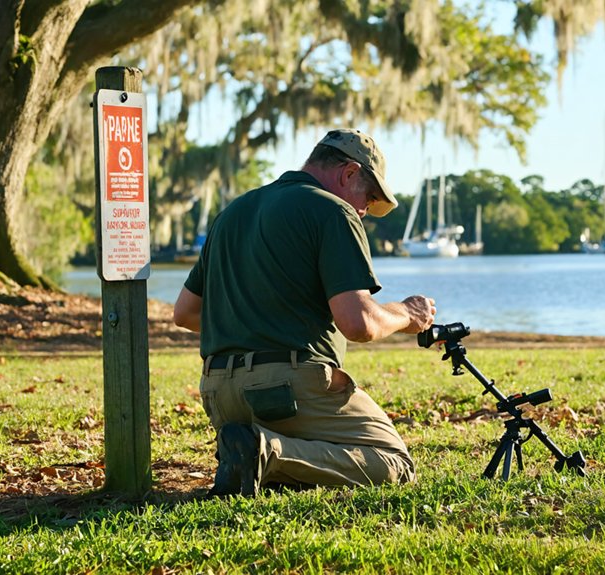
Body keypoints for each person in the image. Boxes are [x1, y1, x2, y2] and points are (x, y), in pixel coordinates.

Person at [173, 128, 436, 497]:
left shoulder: (231, 213)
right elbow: (358, 323)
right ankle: (265, 452)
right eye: (369, 196)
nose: (365, 210)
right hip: (287, 393)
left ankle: (251, 450)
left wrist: (257, 321)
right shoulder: (333, 210)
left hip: (221, 396)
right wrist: (407, 314)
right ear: (349, 173)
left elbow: (185, 313)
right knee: (394, 462)